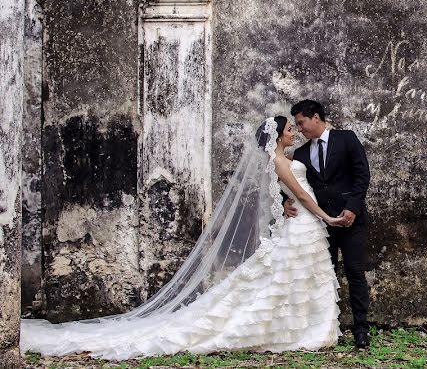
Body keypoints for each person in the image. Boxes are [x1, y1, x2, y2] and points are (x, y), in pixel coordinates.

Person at [21, 116, 342, 359]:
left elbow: (289, 193)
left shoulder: (285, 158)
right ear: (276, 135)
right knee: (290, 273)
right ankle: (295, 328)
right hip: (306, 220)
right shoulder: (277, 161)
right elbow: (298, 191)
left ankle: (306, 326)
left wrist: (288, 203)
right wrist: (324, 215)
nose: (294, 131)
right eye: (289, 128)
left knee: (301, 273)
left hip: (302, 223)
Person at [285, 99, 372, 348]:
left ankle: (361, 330)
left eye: (301, 123)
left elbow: (362, 174)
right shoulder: (301, 154)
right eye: (296, 126)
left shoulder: (346, 139)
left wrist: (352, 209)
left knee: (355, 273)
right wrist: (283, 203)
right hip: (319, 223)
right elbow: (293, 184)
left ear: (316, 117)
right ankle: (327, 329)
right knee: (325, 275)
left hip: (350, 221)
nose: (300, 129)